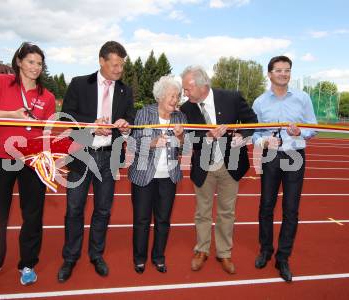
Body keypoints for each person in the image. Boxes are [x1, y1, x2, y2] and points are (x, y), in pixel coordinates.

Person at [0, 42, 56, 286]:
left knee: (32, 215)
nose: (35, 67)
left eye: (39, 63)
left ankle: (28, 263)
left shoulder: (47, 97)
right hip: (2, 158)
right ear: (19, 62)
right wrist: (10, 115)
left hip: (32, 161)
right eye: (30, 61)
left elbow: (47, 131)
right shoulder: (2, 83)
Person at [57, 41, 135, 282]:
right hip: (81, 155)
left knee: (102, 210)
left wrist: (124, 124)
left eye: (122, 65)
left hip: (109, 159)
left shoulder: (125, 90)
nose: (119, 69)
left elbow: (130, 118)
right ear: (101, 61)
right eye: (114, 64)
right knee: (74, 209)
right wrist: (92, 125)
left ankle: (96, 255)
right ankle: (70, 258)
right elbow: (66, 116)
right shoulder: (80, 83)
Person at [180, 65, 257, 275]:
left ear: (201, 85)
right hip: (203, 166)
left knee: (227, 212)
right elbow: (187, 140)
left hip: (230, 164)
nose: (184, 94)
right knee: (202, 212)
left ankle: (224, 252)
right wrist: (205, 137)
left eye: (187, 89)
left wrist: (240, 134)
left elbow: (253, 122)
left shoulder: (232, 97)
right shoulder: (186, 109)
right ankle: (201, 250)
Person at [252, 55, 317, 282]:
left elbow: (313, 127)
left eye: (287, 70)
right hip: (271, 156)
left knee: (291, 209)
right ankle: (266, 250)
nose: (283, 74)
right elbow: (255, 133)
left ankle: (283, 257)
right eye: (278, 70)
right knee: (266, 205)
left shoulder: (303, 98)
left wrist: (301, 132)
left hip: (294, 155)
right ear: (269, 74)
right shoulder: (259, 102)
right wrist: (263, 141)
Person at [128, 75, 186, 274]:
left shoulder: (180, 117)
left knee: (163, 220)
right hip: (144, 175)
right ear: (160, 96)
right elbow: (134, 143)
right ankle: (139, 258)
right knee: (142, 219)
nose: (175, 100)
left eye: (177, 96)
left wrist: (180, 136)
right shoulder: (145, 113)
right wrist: (152, 143)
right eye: (171, 96)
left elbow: (184, 147)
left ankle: (159, 257)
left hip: (168, 177)